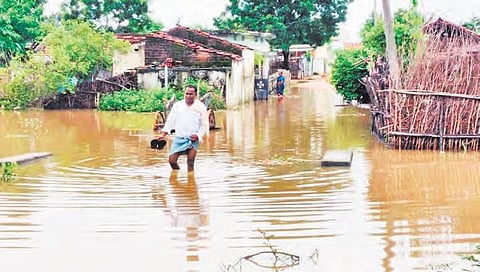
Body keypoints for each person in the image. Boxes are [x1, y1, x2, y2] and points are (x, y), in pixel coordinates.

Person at [157, 85, 208, 172]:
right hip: (179, 137)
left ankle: (191, 182)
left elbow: (204, 125)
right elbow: (170, 120)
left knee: (190, 162)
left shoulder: (201, 107)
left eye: (191, 94)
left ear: (195, 95)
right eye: (187, 94)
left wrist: (198, 135)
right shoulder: (177, 106)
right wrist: (163, 134)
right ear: (184, 94)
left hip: (192, 139)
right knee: (172, 161)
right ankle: (177, 174)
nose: (188, 96)